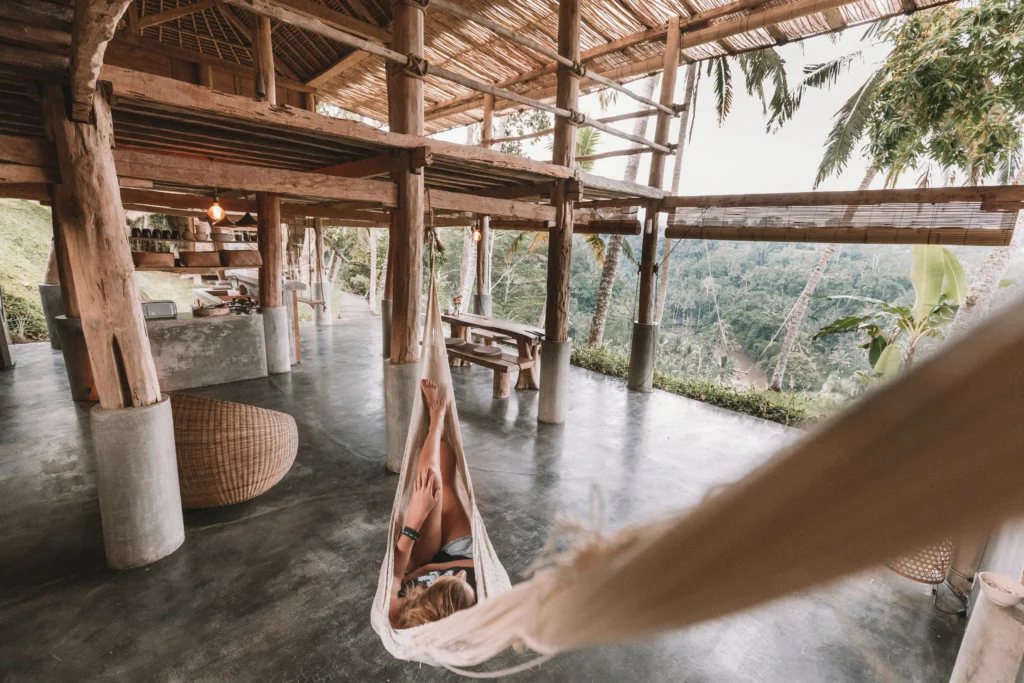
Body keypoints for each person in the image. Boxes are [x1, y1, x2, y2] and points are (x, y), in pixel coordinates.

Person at [389, 379, 477, 628]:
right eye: (464, 581)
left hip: (415, 559)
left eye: (455, 580)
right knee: (446, 484)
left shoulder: (397, 613)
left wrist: (415, 517)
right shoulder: (473, 604)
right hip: (462, 551)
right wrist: (439, 567)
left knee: (429, 483)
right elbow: (476, 565)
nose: (461, 576)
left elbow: (396, 572)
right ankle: (436, 419)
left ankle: (435, 423)